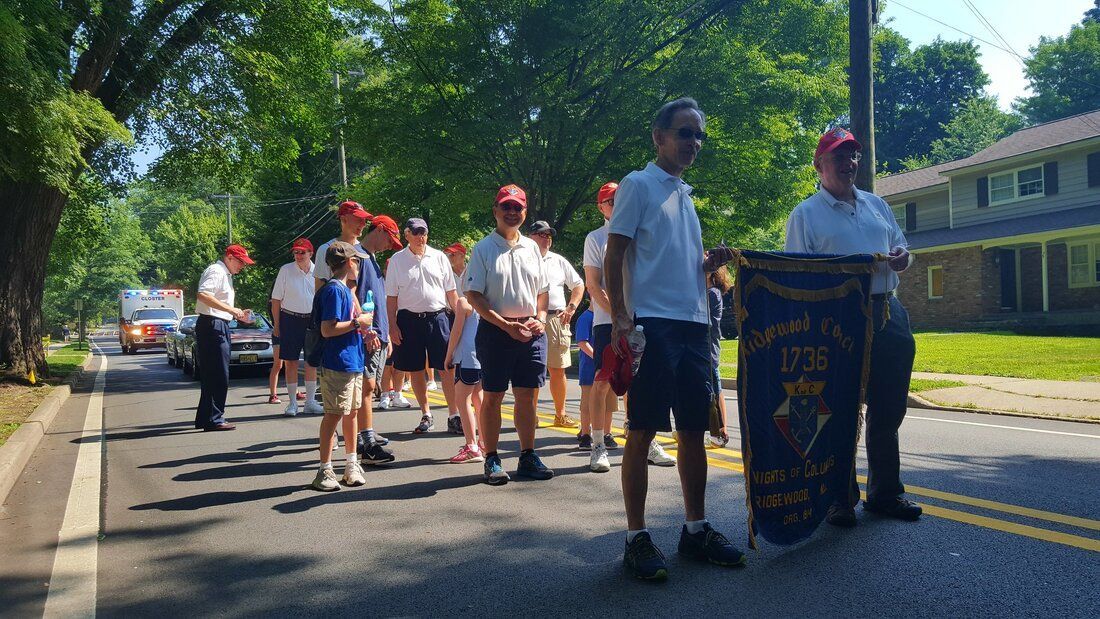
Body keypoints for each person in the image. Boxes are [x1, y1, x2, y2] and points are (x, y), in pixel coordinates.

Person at [605, 98, 745, 580]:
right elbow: (615, 253)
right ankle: (636, 537)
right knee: (642, 431)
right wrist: (622, 318)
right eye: (684, 133)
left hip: (692, 323)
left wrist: (709, 264)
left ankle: (695, 529)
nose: (693, 143)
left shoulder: (685, 196)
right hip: (652, 324)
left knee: (692, 430)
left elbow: (675, 261)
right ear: (658, 137)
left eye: (698, 135)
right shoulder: (638, 185)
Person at [785, 126, 922, 526]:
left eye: (853, 157)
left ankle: (885, 493)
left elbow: (904, 250)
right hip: (836, 317)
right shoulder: (806, 214)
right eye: (839, 157)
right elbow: (799, 276)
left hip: (888, 311)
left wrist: (902, 259)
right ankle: (838, 497)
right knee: (840, 408)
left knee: (889, 407)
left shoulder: (878, 205)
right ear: (819, 164)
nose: (849, 164)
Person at [583, 182, 674, 472]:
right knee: (602, 382)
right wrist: (619, 314)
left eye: (620, 198)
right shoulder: (596, 238)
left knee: (640, 383)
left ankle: (645, 441)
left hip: (641, 320)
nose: (616, 203)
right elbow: (594, 285)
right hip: (607, 321)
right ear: (601, 207)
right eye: (610, 200)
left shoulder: (639, 233)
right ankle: (597, 443)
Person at [464, 184, 552, 485]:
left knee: (527, 397)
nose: (512, 212)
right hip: (496, 332)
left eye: (518, 208)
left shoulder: (531, 248)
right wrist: (505, 325)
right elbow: (474, 296)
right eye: (506, 207)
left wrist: (540, 319)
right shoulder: (484, 248)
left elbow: (543, 292)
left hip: (530, 331)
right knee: (493, 396)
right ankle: (491, 459)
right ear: (495, 211)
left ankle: (528, 456)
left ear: (525, 213)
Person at [386, 218, 460, 434]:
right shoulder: (397, 260)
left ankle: (454, 415)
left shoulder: (438, 257)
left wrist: (461, 321)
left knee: (447, 367)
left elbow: (451, 293)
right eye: (416, 232)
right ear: (406, 234)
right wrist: (392, 326)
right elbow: (391, 298)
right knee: (416, 369)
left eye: (424, 232)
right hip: (408, 320)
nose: (421, 237)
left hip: (438, 318)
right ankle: (426, 414)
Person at [311, 241, 373, 491]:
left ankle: (350, 464)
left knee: (352, 412)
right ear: (349, 263)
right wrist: (359, 323)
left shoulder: (344, 290)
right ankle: (324, 469)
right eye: (356, 260)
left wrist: (364, 328)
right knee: (334, 414)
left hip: (351, 360)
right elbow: (328, 329)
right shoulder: (335, 291)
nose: (358, 265)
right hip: (338, 362)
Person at [354, 214, 404, 464]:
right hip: (368, 334)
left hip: (379, 333)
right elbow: (353, 297)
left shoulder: (371, 259)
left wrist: (387, 334)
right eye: (390, 239)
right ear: (380, 230)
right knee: (366, 386)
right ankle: (367, 444)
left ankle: (365, 437)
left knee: (370, 387)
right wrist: (367, 330)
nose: (389, 246)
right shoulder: (358, 257)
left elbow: (380, 300)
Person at [194, 244, 256, 432]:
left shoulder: (224, 274)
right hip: (213, 325)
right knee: (218, 373)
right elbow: (203, 294)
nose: (242, 266)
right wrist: (231, 310)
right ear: (229, 257)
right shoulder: (216, 271)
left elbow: (215, 301)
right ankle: (214, 418)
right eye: (240, 262)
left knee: (214, 373)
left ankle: (206, 417)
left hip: (216, 324)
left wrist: (236, 314)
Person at [528, 220, 584, 427]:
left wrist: (571, 307)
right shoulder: (522, 257)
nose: (546, 239)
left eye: (549, 235)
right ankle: (530, 414)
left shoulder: (558, 261)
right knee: (531, 368)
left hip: (556, 319)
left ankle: (560, 414)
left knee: (558, 369)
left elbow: (578, 284)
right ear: (531, 236)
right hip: (530, 319)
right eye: (541, 234)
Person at [271, 238, 321, 416]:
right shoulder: (285, 270)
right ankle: (292, 403)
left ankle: (310, 401)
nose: (298, 255)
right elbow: (276, 300)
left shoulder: (319, 271)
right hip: (289, 318)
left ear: (310, 253)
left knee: (311, 362)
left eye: (302, 252)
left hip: (312, 320)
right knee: (291, 362)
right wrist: (277, 324)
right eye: (296, 252)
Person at [443, 263, 484, 464]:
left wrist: (448, 356)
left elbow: (456, 332)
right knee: (479, 399)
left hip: (466, 357)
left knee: (463, 401)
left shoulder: (463, 302)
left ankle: (472, 446)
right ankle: (484, 442)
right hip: (482, 356)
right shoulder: (485, 302)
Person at [705, 265, 732, 447]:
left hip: (709, 351)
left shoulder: (712, 293)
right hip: (704, 350)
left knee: (716, 392)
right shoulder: (707, 291)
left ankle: (722, 432)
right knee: (712, 391)